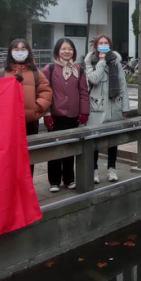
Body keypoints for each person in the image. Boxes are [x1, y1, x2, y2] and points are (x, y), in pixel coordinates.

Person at [0, 39, 52, 175]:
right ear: (10, 52)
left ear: (28, 52)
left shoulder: (36, 72)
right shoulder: (2, 73)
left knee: (29, 157)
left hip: (30, 122)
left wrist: (37, 108)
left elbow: (46, 92)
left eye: (23, 49)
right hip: (8, 123)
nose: (19, 52)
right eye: (16, 49)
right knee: (10, 157)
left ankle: (28, 183)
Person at [42, 39, 89, 192]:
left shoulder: (79, 70)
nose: (67, 51)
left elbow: (83, 92)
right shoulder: (49, 69)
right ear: (57, 51)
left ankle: (69, 179)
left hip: (73, 116)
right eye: (63, 49)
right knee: (54, 148)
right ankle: (54, 181)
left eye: (70, 49)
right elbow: (44, 92)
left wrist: (84, 112)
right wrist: (47, 114)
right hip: (56, 115)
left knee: (71, 147)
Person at [84, 35, 130, 184]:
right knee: (94, 140)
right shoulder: (90, 61)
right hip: (96, 106)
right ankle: (94, 170)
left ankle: (112, 169)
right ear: (96, 46)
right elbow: (94, 79)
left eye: (106, 43)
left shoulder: (116, 61)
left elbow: (122, 85)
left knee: (113, 140)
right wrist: (102, 61)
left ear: (110, 45)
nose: (103, 45)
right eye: (101, 43)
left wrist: (125, 107)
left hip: (114, 105)